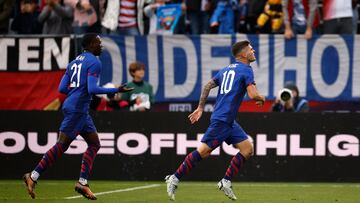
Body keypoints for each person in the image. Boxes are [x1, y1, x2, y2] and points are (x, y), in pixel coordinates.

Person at [22, 33, 133, 200]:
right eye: (98, 42)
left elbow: (61, 88)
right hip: (77, 109)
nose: (100, 45)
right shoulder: (95, 62)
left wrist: (75, 93)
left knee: (94, 144)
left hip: (76, 107)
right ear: (90, 44)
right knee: (62, 146)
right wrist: (116, 90)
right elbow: (92, 89)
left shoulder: (73, 62)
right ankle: (33, 176)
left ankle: (82, 182)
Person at [165, 40, 266, 201]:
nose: (253, 50)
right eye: (250, 49)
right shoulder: (246, 69)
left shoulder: (225, 70)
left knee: (247, 149)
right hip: (222, 119)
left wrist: (200, 108)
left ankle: (225, 181)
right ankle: (175, 177)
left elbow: (207, 86)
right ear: (243, 54)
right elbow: (253, 95)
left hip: (228, 120)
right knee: (203, 152)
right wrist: (262, 97)